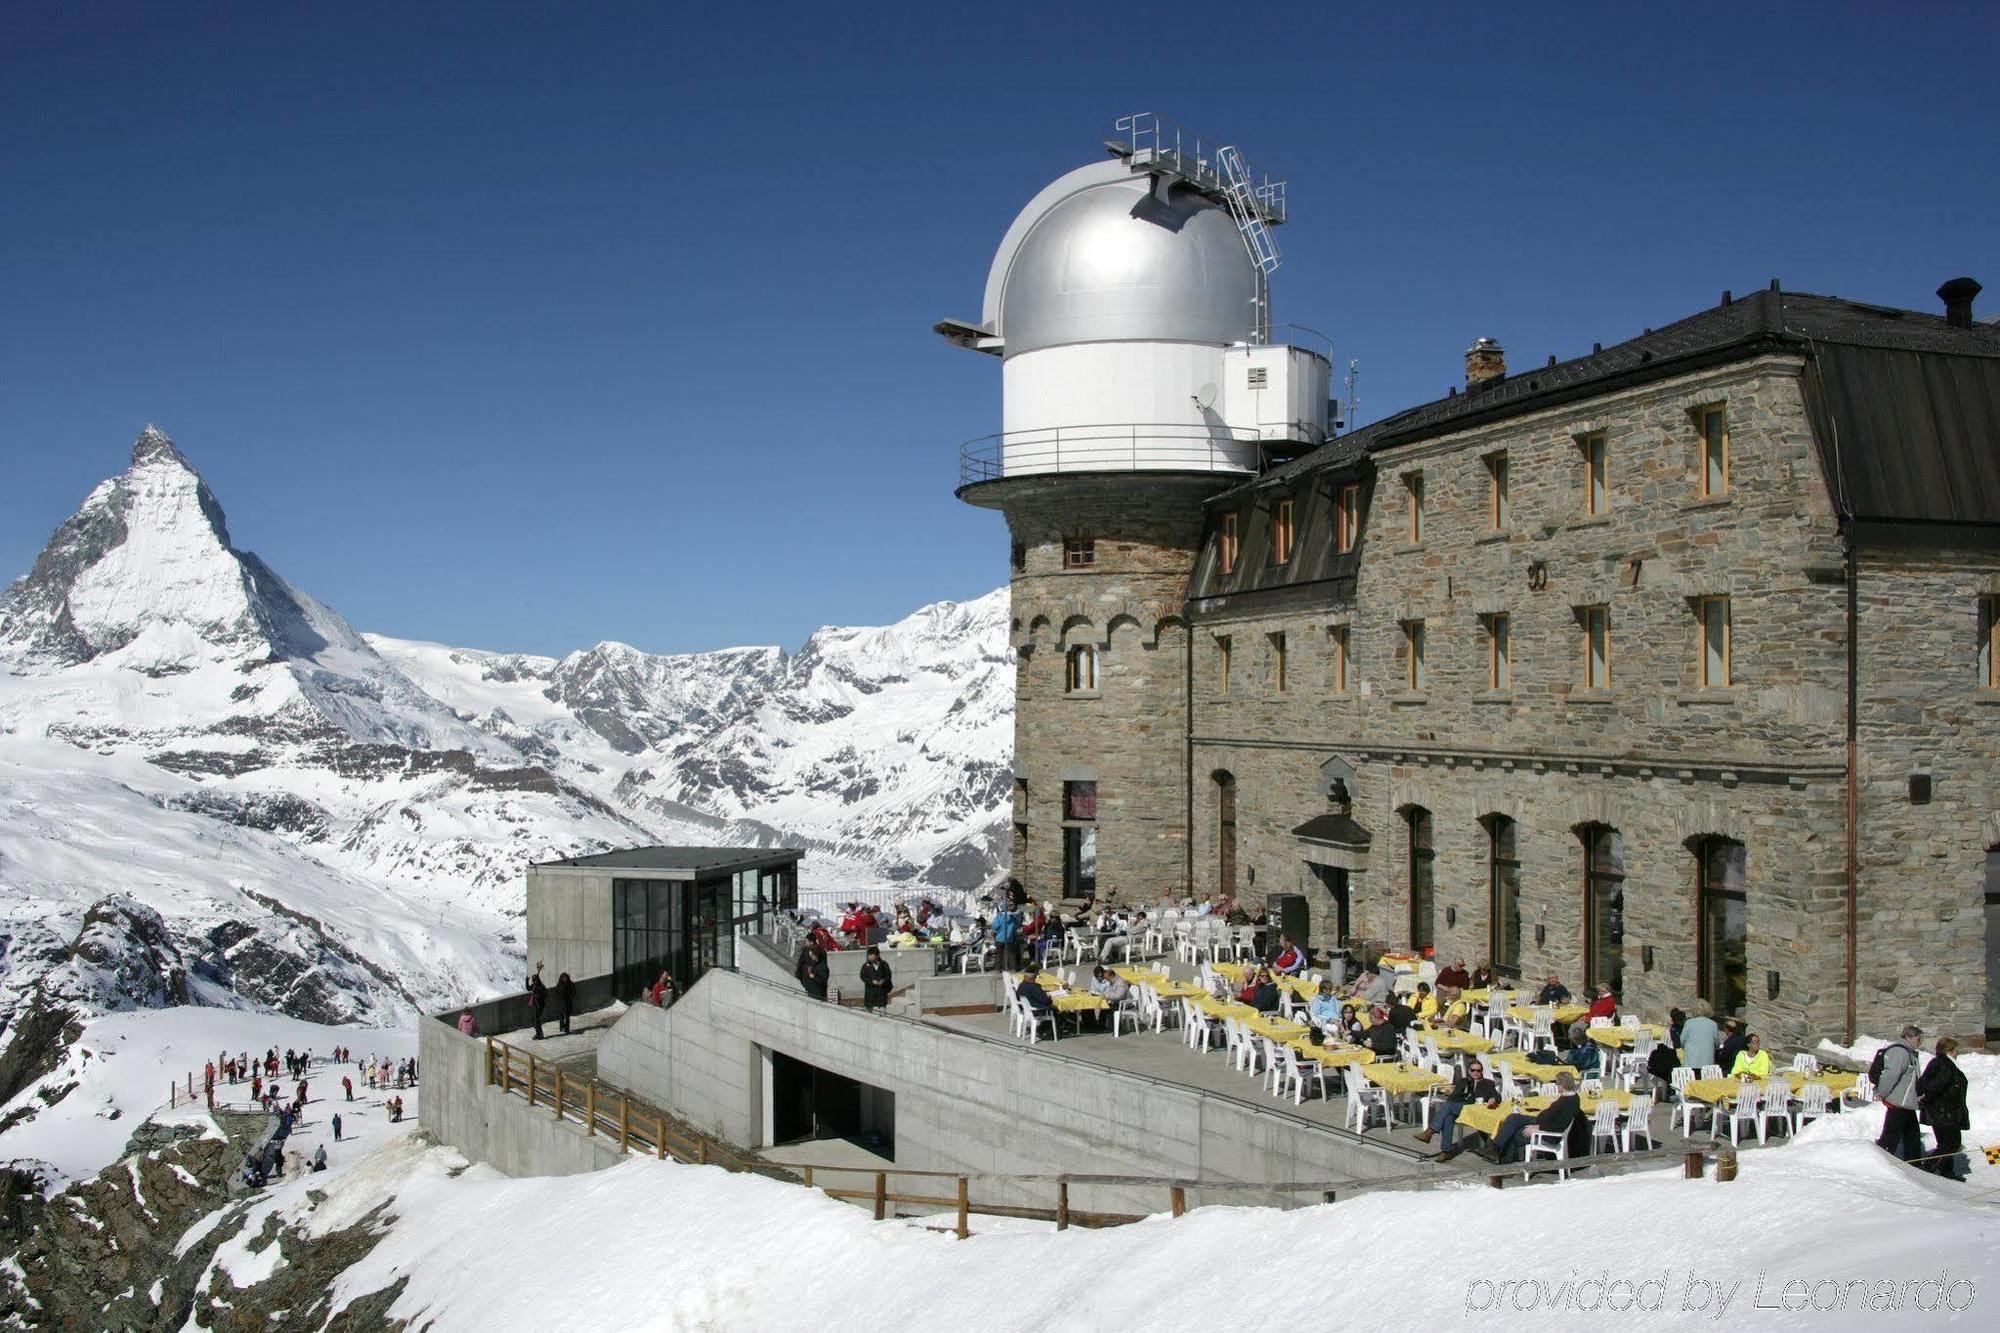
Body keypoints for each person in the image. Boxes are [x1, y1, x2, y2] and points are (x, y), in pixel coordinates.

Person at [1492, 1072, 1582, 1164]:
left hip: (1548, 1134)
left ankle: (1503, 1157)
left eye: (1557, 1083)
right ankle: (1495, 1147)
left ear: (1562, 1084)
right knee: (1513, 1118)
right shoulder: (1569, 1097)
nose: (1556, 1085)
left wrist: (1538, 1128)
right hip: (1542, 1122)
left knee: (1515, 1133)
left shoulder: (1569, 1102)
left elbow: (1559, 1125)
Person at [1421, 1059, 1500, 1155]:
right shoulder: (1463, 1081)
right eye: (1473, 1070)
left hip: (1474, 1110)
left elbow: (1496, 1095)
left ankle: (1431, 1133)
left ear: (1481, 1071)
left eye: (1478, 1071)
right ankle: (1445, 1151)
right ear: (1468, 1071)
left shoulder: (1487, 1083)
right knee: (1448, 1113)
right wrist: (1463, 1088)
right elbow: (1452, 1098)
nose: (1475, 1073)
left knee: (1448, 1112)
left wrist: (1493, 1099)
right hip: (1462, 1107)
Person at [1916, 1037, 1970, 1181]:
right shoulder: (1944, 1065)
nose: (1957, 1053)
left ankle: (1947, 1172)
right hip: (1944, 1112)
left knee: (1945, 1143)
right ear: (1949, 1051)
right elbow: (1934, 1087)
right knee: (1952, 1142)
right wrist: (1927, 1099)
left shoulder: (1940, 1063)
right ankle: (1929, 1165)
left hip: (1943, 1112)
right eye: (1956, 1050)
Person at [1873, 1025, 1925, 1163]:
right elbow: (1891, 1075)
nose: (1920, 1042)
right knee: (1891, 1137)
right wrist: (1881, 1093)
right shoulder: (1899, 1052)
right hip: (1898, 1102)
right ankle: (1880, 1163)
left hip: (1905, 1102)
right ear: (1909, 1037)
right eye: (1918, 1039)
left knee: (1912, 1136)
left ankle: (1914, 1164)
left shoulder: (1908, 1051)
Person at [1680, 1006, 1720, 1071]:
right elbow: (1717, 1043)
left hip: (1691, 1060)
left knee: (1692, 1079)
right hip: (1707, 1061)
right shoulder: (1713, 1024)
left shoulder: (1688, 1023)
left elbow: (1681, 1041)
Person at [859, 946, 894, 1012]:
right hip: (870, 992)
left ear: (877, 956)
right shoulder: (866, 965)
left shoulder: (884, 964)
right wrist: (872, 981)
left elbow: (888, 975)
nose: (869, 956)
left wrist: (883, 981)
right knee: (868, 1010)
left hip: (881, 992)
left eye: (871, 955)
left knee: (882, 1010)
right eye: (869, 955)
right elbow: (863, 976)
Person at [992, 900, 1023, 971]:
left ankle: (998, 968)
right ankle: (1013, 968)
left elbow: (995, 926)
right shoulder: (1013, 917)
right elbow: (1016, 927)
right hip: (1009, 938)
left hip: (999, 938)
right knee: (1011, 954)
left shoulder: (1000, 916)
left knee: (999, 955)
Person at [527, 962, 549, 1040]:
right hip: (535, 1005)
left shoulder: (541, 987)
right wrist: (527, 980)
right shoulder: (534, 986)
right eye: (533, 980)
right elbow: (528, 988)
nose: (533, 981)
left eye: (534, 980)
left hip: (540, 1005)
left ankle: (539, 1034)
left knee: (536, 1020)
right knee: (534, 1020)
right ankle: (538, 1033)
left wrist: (538, 995)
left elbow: (545, 994)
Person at [556, 971, 576, 1035]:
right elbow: (556, 992)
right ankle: (562, 1027)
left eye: (565, 978)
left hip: (568, 1003)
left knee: (567, 1017)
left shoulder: (571, 984)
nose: (564, 979)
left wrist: (570, 998)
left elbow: (574, 992)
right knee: (561, 1016)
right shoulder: (559, 984)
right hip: (561, 1003)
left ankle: (567, 1029)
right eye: (563, 978)